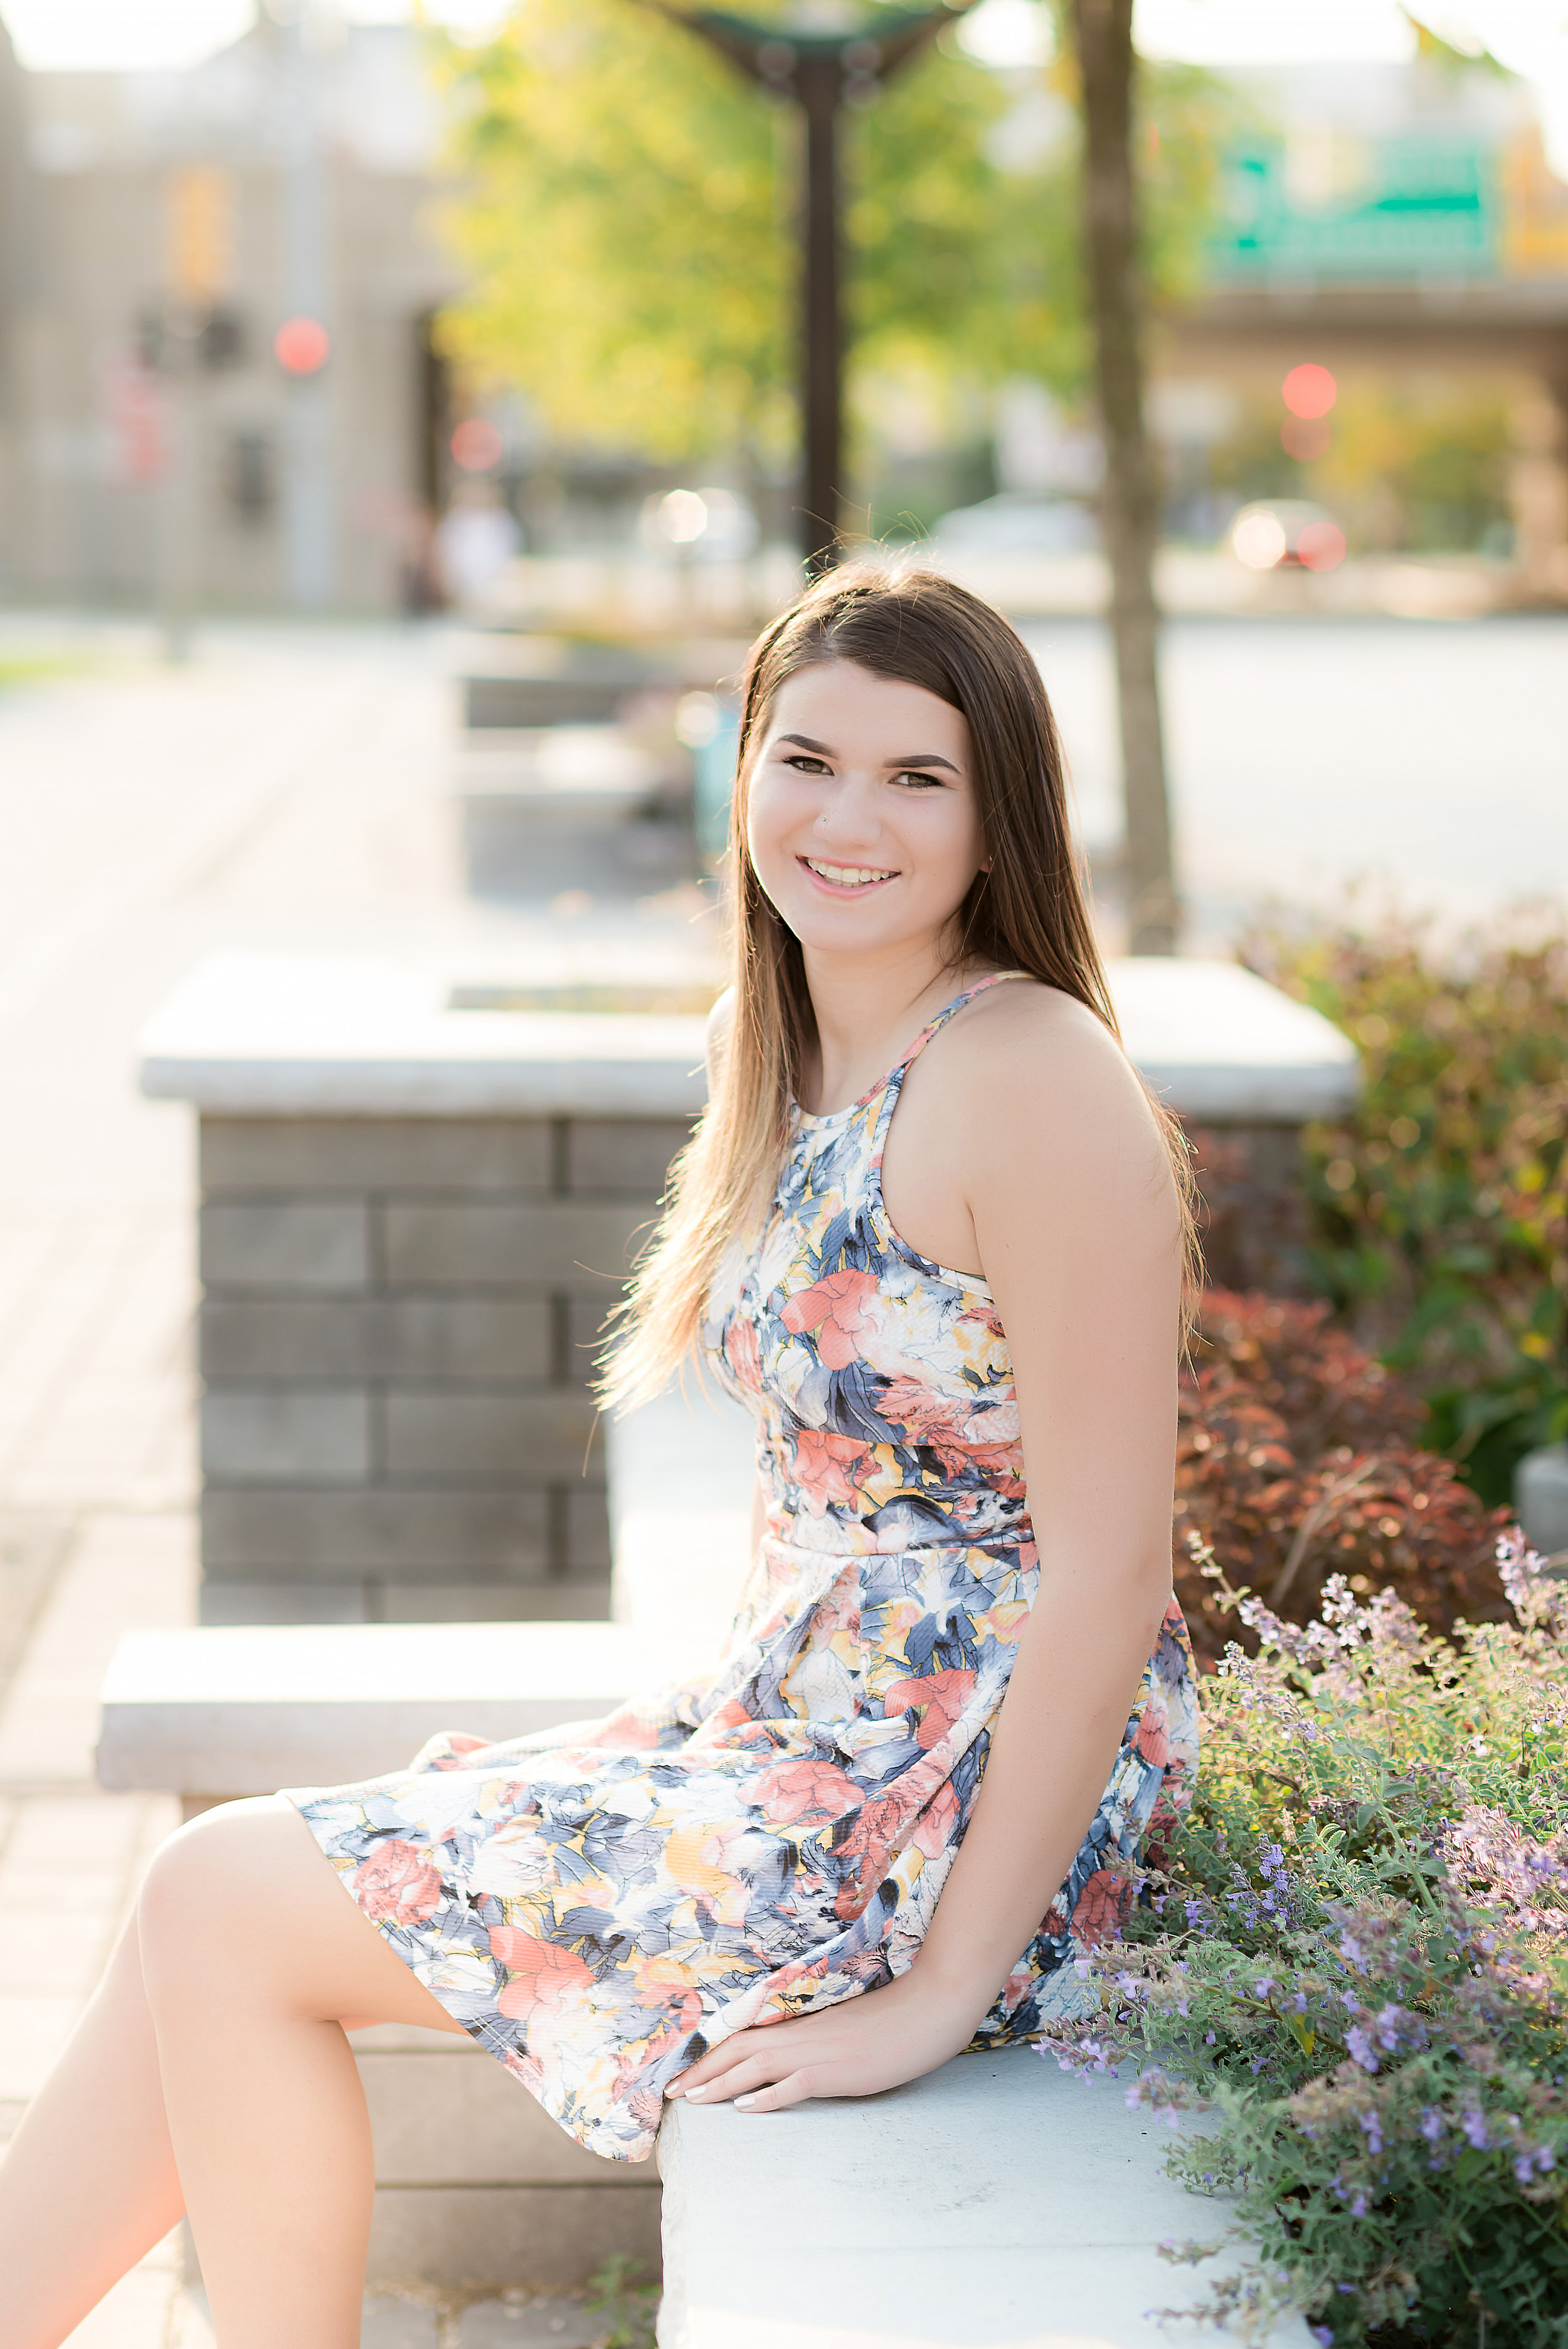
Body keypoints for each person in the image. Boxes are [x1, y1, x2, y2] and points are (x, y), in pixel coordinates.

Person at [0, 565, 1199, 2348]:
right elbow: (819, 1480)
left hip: (960, 1812)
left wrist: (938, 1989)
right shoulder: (780, 1044)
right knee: (197, 1927)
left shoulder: (1029, 1071)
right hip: (801, 1749)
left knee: (218, 1902)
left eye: (914, 776)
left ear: (995, 811)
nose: (845, 818)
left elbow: (1113, 1572)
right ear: (737, 774)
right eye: (804, 757)